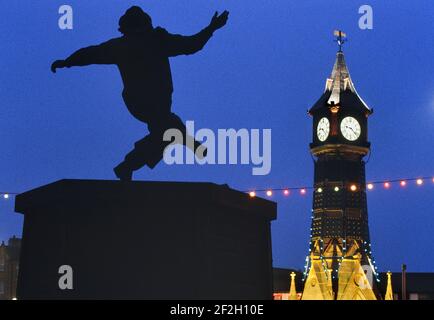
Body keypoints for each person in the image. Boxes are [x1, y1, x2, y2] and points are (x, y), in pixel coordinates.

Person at [51, 6, 229, 181]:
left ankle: (128, 165)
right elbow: (90, 54)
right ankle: (178, 144)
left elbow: (191, 45)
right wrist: (68, 61)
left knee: (166, 130)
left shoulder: (143, 42)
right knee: (168, 127)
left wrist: (68, 61)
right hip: (143, 102)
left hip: (146, 101)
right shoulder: (141, 43)